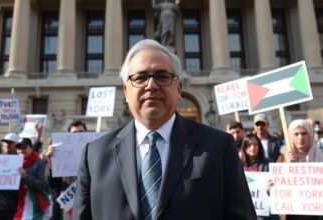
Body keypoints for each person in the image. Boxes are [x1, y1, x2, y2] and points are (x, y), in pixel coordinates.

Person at [73, 39, 256, 220]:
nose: (151, 85)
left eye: (162, 76)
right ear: (126, 91)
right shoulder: (94, 154)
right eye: (140, 77)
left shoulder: (218, 147)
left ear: (178, 89)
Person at [276, 119, 323, 220]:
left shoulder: (320, 158)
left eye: (304, 133)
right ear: (290, 136)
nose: (300, 137)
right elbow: (273, 190)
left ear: (310, 135)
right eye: (296, 134)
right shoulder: (282, 159)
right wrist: (286, 166)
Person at [45, 120, 87, 220]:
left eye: (81, 132)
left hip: (89, 204)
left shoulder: (94, 152)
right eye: (74, 133)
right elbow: (52, 183)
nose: (78, 135)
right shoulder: (61, 155)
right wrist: (51, 162)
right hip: (69, 207)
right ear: (69, 135)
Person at [14, 138, 51, 220]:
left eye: (24, 147)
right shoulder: (14, 163)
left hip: (36, 206)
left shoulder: (40, 163)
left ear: (31, 149)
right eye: (19, 148)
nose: (21, 150)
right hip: (20, 204)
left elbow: (43, 185)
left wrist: (25, 176)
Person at [0, 133, 20, 220]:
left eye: (10, 142)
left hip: (12, 204)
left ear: (17, 144)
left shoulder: (21, 159)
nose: (7, 145)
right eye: (5, 142)